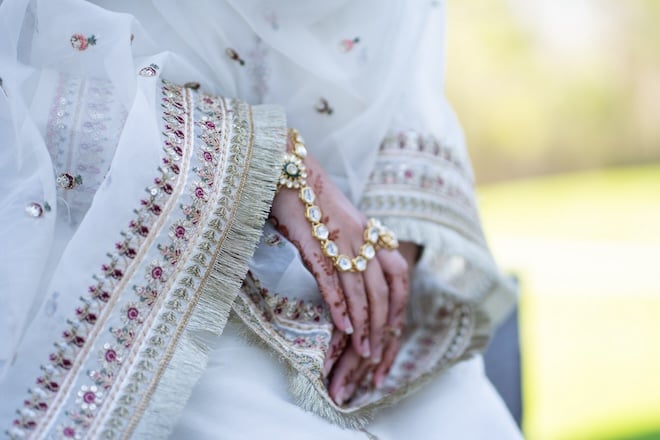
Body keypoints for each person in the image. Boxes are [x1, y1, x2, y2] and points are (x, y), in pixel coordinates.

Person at [0, 0, 522, 438]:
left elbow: (407, 42)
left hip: (349, 241)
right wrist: (272, 162)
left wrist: (387, 255)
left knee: (464, 416)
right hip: (139, 238)